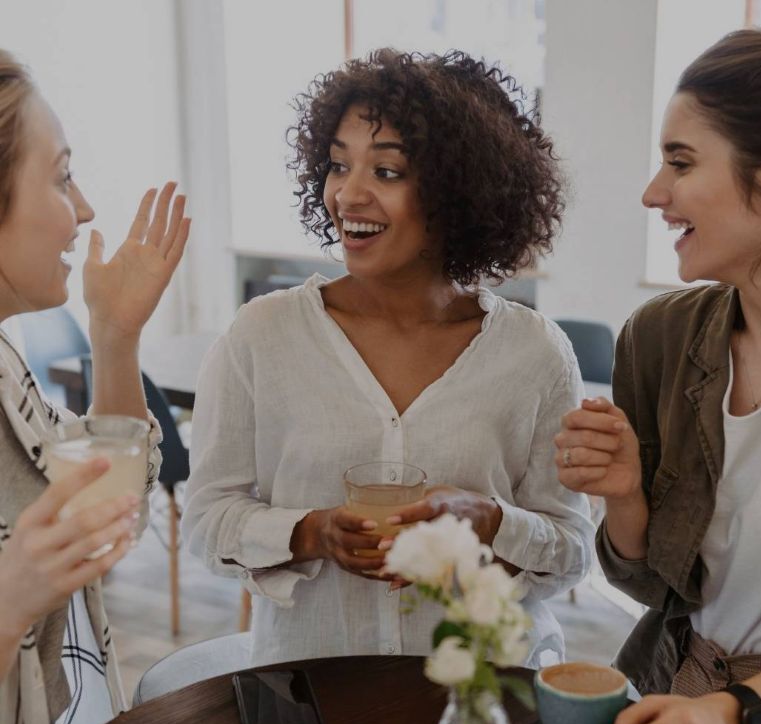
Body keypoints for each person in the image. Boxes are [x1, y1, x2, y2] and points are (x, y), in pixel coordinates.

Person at [183, 49, 593, 671]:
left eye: (387, 171)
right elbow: (206, 519)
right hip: (315, 691)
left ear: (458, 190)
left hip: (482, 695)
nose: (349, 194)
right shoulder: (264, 335)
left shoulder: (534, 354)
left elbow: (571, 550)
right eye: (338, 165)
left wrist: (491, 522)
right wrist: (311, 533)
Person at [555, 10, 761, 724]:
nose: (653, 193)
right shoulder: (661, 338)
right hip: (671, 699)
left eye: (681, 162)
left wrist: (733, 716)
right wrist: (624, 492)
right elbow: (656, 589)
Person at [0, 51, 189, 724]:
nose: (83, 209)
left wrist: (115, 335)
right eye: (62, 177)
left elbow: (111, 509)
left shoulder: (4, 364)